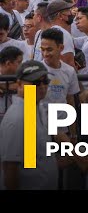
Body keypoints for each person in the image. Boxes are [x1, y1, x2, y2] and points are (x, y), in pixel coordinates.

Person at [0, 60, 63, 189]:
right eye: (35, 83)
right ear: (19, 84)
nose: (42, 86)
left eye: (45, 81)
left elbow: (33, 160)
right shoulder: (18, 117)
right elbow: (10, 169)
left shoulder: (35, 107)